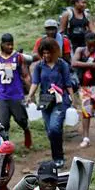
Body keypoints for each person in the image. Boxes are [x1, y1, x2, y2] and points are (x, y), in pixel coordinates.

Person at [27, 38, 75, 168]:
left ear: (54, 52)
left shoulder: (62, 65)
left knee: (54, 127)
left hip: (60, 100)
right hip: (45, 101)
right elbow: (35, 82)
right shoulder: (39, 66)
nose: (46, 56)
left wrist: (72, 98)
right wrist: (30, 95)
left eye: (49, 53)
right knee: (50, 131)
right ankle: (56, 156)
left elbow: (67, 82)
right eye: (44, 53)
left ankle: (58, 157)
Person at [0, 33, 32, 149]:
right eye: (8, 45)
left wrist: (30, 93)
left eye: (12, 45)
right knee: (3, 124)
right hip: (2, 95)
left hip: (16, 95)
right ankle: (5, 147)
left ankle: (26, 130)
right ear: (2, 45)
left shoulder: (18, 57)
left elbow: (25, 75)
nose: (10, 47)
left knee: (21, 119)